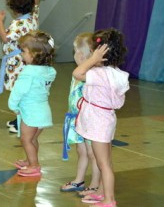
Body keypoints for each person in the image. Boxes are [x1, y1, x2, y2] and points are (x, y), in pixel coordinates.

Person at [74, 28, 129, 207]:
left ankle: (109, 200)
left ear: (100, 55)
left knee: (103, 163)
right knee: (106, 160)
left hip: (97, 121)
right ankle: (101, 192)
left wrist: (91, 61)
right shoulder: (119, 74)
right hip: (107, 118)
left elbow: (77, 73)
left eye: (93, 53)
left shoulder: (98, 74)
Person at [0, 0, 45, 133]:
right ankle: (20, 118)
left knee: (19, 92)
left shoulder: (18, 24)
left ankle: (22, 121)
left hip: (17, 62)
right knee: (24, 91)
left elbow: (5, 38)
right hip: (27, 61)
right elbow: (35, 6)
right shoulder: (32, 18)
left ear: (14, 9)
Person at [8, 31, 56, 177]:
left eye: (24, 51)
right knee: (33, 139)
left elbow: (18, 91)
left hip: (31, 112)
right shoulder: (49, 70)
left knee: (26, 139)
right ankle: (31, 160)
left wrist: (13, 105)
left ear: (34, 54)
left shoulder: (28, 72)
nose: (22, 54)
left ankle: (34, 165)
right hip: (43, 111)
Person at [60, 32, 100, 197]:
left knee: (93, 153)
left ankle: (95, 184)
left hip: (90, 122)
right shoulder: (78, 72)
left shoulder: (92, 74)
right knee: (82, 151)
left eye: (75, 51)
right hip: (76, 121)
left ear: (81, 54)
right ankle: (79, 180)